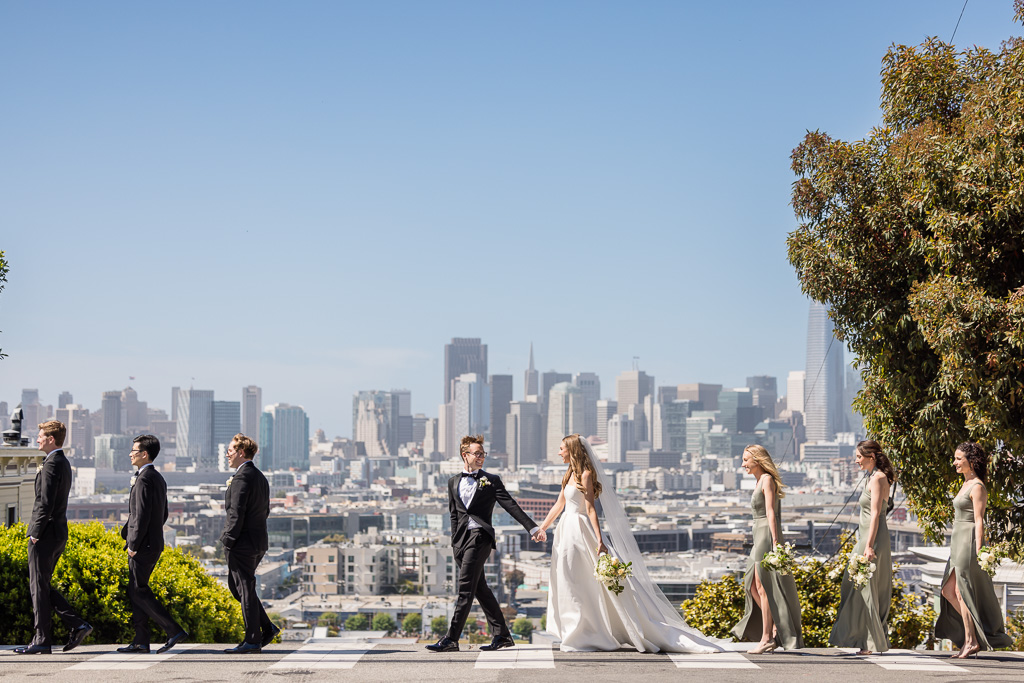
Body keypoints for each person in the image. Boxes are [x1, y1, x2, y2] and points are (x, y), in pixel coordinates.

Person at [538, 434, 724, 653]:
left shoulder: (586, 474)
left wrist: (599, 539)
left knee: (580, 582)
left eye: (562, 449)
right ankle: (575, 631)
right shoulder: (568, 473)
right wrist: (543, 527)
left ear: (572, 450)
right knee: (568, 580)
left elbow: (590, 509)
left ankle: (586, 633)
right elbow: (559, 504)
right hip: (565, 530)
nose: (559, 453)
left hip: (579, 531)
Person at [426, 435, 545, 653]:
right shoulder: (453, 481)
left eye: (483, 454)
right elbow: (454, 515)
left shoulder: (491, 480)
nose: (481, 457)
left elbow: (511, 505)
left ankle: (451, 638)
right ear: (465, 455)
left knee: (465, 589)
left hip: (480, 537)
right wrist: (455, 543)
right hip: (461, 541)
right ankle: (502, 635)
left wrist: (533, 527)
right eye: (477, 454)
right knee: (481, 589)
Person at [15, 421, 92, 655]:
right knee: (42, 586)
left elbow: (44, 503)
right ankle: (68, 628)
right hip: (57, 532)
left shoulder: (51, 465)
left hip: (46, 534)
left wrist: (35, 533)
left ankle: (44, 638)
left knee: (37, 587)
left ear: (50, 439)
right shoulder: (62, 462)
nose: (37, 439)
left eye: (40, 436)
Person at [934, 442, 1012, 657]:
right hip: (957, 540)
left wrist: (980, 549)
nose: (955, 462)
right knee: (949, 591)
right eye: (955, 458)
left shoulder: (977, 486)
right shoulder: (965, 483)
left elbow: (979, 520)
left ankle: (970, 641)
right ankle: (974, 636)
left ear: (971, 460)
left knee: (961, 591)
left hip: (968, 541)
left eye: (959, 458)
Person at [117, 435, 189, 654]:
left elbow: (142, 515)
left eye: (134, 451)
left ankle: (173, 630)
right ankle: (141, 640)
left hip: (143, 545)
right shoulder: (156, 477)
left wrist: (134, 543)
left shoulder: (146, 478)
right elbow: (162, 513)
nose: (130, 454)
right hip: (152, 542)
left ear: (144, 454)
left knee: (139, 590)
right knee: (136, 589)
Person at [732, 445, 804, 653]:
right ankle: (773, 628)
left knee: (763, 587)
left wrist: (775, 543)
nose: (743, 464)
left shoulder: (767, 480)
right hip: (758, 534)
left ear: (757, 460)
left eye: (746, 460)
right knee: (752, 585)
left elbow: (771, 513)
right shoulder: (759, 481)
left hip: (766, 535)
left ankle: (767, 638)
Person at [829, 440, 894, 655]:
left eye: (859, 456)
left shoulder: (878, 478)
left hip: (872, 539)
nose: (856, 461)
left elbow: (875, 513)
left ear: (871, 456)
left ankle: (870, 642)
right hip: (866, 537)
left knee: (867, 587)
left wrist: (868, 546)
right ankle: (864, 638)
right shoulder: (872, 477)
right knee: (853, 585)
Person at [220, 434, 279, 653]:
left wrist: (228, 539)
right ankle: (267, 627)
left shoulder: (242, 477)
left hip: (241, 542)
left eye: (230, 450)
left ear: (241, 453)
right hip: (258, 541)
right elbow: (265, 510)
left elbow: (237, 512)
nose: (227, 454)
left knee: (243, 589)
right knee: (240, 589)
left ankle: (253, 639)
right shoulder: (260, 476)